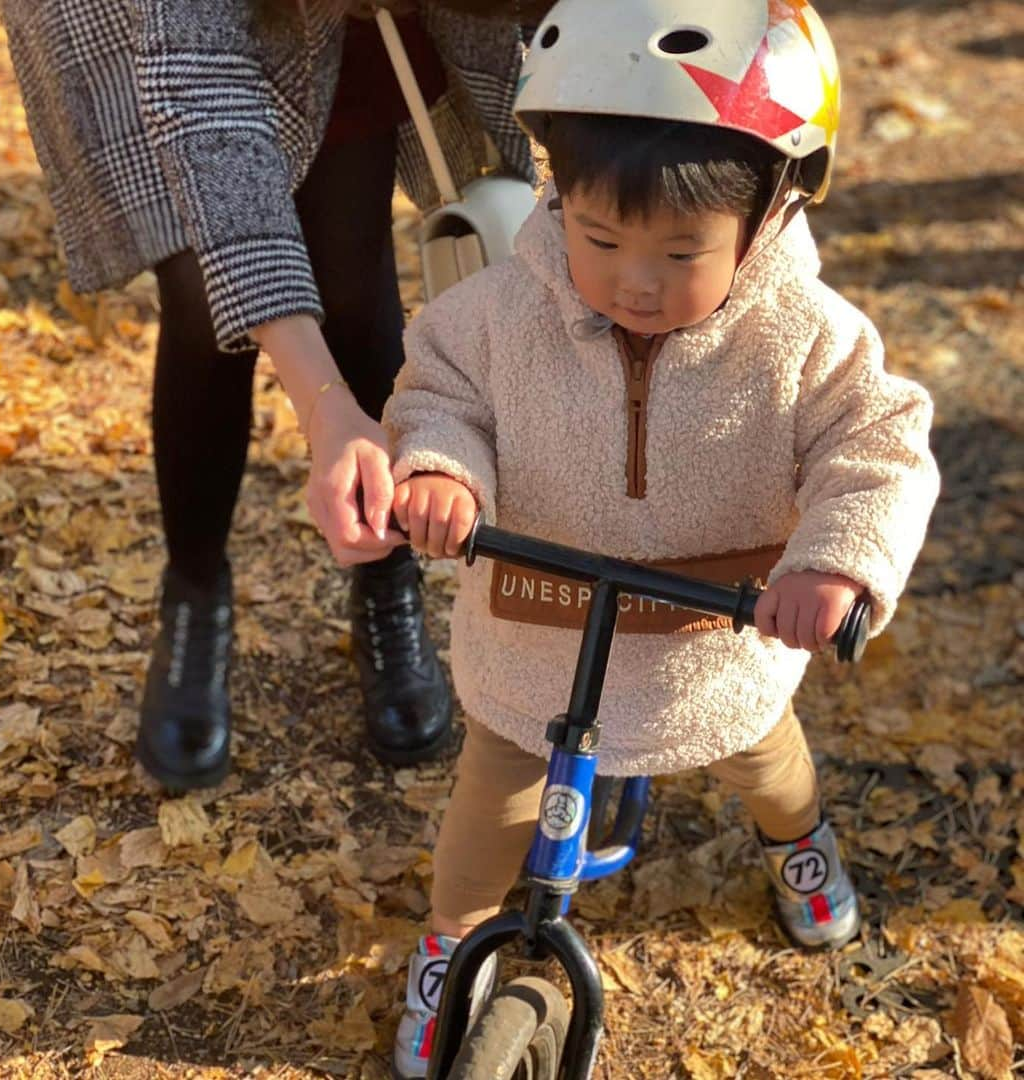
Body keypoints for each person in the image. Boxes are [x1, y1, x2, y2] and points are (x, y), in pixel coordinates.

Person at [380, 0, 940, 1072]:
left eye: (683, 251)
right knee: (490, 806)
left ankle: (800, 844)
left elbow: (877, 443)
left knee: (763, 762)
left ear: (768, 214)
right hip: (537, 641)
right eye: (599, 239)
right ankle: (451, 945)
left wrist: (833, 557)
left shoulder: (803, 336)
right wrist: (442, 467)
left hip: (713, 644)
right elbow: (440, 390)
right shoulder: (502, 311)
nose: (636, 281)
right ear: (558, 196)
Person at [0, 0, 550, 788]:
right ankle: (194, 591)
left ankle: (384, 579)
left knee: (352, 275)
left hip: (350, 25)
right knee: (201, 297)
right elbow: (203, 94)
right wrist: (323, 402)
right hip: (146, 25)